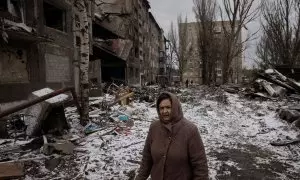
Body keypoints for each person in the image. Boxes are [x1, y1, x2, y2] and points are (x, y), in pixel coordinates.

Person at [135, 92, 208, 180]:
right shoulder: (154, 128)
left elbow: (200, 166)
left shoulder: (190, 130)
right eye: (161, 108)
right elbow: (147, 159)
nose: (164, 111)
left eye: (168, 107)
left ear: (175, 108)